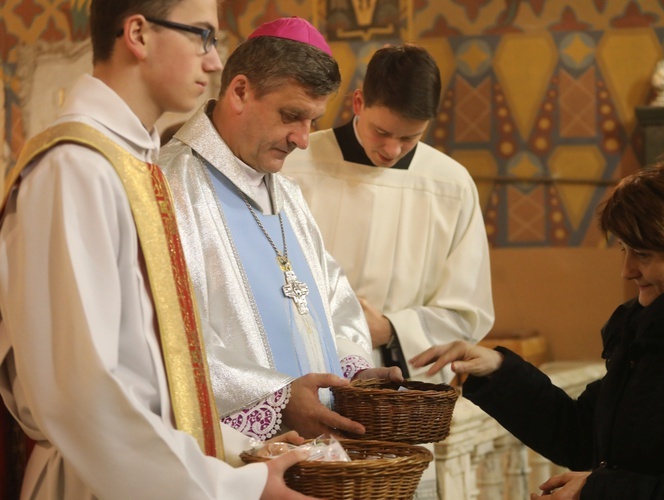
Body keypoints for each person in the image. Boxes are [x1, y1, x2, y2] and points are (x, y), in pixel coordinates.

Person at [0, 1, 316, 499]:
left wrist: (245, 451)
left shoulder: (131, 163)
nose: (214, 61)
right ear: (139, 35)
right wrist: (236, 487)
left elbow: (156, 379)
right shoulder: (76, 167)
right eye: (201, 36)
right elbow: (85, 396)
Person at [411, 153, 664, 499]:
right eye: (625, 249)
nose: (627, 270)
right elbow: (582, 435)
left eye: (644, 255)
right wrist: (497, 370)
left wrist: (596, 489)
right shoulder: (656, 327)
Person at [159, 17, 401, 443]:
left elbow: (333, 300)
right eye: (292, 116)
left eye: (313, 120)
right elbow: (164, 339)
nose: (303, 139)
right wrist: (277, 399)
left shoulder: (287, 193)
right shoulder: (168, 188)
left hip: (318, 457)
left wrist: (352, 372)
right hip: (234, 461)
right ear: (239, 91)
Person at [283, 44, 494, 384]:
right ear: (359, 103)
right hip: (304, 370)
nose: (392, 150)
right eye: (381, 132)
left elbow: (467, 312)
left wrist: (392, 330)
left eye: (410, 137)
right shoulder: (296, 166)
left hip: (400, 390)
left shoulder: (450, 185)